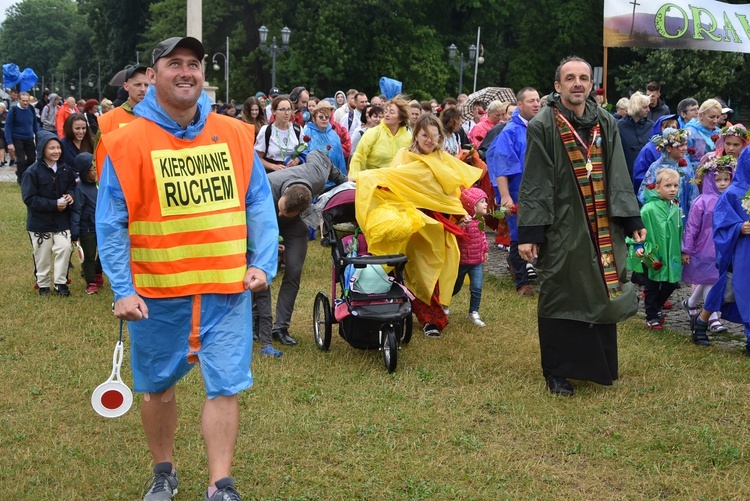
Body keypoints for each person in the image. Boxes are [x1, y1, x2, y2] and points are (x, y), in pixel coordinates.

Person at [96, 36, 278, 500]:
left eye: (193, 64)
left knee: (225, 387)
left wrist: (263, 261)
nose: (185, 71)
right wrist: (121, 288)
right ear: (152, 75)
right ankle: (164, 472)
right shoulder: (125, 141)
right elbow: (111, 221)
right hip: (157, 295)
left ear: (203, 74)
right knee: (158, 389)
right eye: (173, 63)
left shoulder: (235, 134)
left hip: (226, 290)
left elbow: (257, 200)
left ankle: (220, 484)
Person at [518, 56, 645, 397]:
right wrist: (531, 232)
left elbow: (618, 169)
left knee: (600, 290)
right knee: (562, 292)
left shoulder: (604, 121)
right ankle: (557, 371)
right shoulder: (543, 124)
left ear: (591, 84)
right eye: (570, 78)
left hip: (603, 224)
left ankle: (599, 365)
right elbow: (535, 181)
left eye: (584, 78)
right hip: (563, 226)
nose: (578, 83)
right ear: (557, 86)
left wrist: (631, 218)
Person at [355, 113, 483, 338]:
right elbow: (392, 181)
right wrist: (365, 178)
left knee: (436, 270)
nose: (429, 140)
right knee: (417, 270)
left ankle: (430, 313)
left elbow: (452, 192)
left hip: (438, 223)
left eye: (434, 136)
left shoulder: (443, 159)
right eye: (425, 135)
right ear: (416, 135)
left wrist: (460, 212)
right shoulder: (404, 156)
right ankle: (428, 320)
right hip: (412, 223)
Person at [256, 151, 348, 353]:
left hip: (295, 226)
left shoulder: (316, 175)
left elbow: (319, 155)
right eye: (281, 208)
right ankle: (258, 323)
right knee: (263, 272)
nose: (281, 212)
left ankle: (281, 328)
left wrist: (344, 181)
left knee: (294, 271)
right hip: (263, 219)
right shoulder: (264, 186)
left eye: (284, 211)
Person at [487, 87, 541, 297]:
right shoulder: (510, 131)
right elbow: (501, 165)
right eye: (531, 101)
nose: (536, 104)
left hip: (540, 191)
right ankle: (522, 281)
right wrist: (506, 196)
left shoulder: (541, 127)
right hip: (519, 191)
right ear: (519, 105)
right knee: (519, 234)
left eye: (537, 100)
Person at [699, 148, 750, 353]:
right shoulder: (733, 193)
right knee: (735, 288)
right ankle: (702, 321)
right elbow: (720, 224)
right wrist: (739, 228)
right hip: (740, 253)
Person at [681, 157, 734, 339]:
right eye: (718, 179)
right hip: (703, 248)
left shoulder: (731, 198)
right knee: (710, 280)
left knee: (709, 278)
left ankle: (691, 302)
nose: (722, 183)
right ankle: (712, 317)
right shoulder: (701, 201)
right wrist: (686, 249)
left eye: (726, 179)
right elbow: (691, 227)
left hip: (722, 246)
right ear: (709, 179)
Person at [21, 130, 76, 296]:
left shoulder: (65, 169)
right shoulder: (32, 172)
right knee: (42, 254)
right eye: (51, 148)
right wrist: (53, 205)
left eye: (58, 147)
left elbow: (72, 187)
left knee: (65, 248)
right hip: (39, 222)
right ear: (42, 149)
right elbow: (29, 199)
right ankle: (43, 284)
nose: (56, 151)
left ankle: (60, 283)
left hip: (61, 221)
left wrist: (70, 195)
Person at [632, 169, 685, 330]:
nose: (672, 189)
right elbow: (637, 228)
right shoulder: (649, 209)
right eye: (668, 185)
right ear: (657, 187)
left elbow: (680, 230)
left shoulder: (675, 208)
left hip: (671, 253)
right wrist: (639, 246)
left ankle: (655, 308)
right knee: (652, 285)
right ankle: (652, 316)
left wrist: (683, 250)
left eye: (675, 185)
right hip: (652, 254)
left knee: (671, 283)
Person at [94, 66, 149, 173]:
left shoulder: (161, 117)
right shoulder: (108, 119)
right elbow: (99, 159)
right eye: (137, 84)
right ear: (126, 86)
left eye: (146, 85)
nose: (143, 89)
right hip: (120, 184)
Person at [637, 127, 698, 220]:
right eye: (680, 145)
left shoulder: (686, 163)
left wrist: (694, 212)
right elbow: (644, 194)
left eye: (686, 144)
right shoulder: (656, 167)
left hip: (684, 215)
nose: (685, 148)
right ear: (669, 148)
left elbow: (693, 190)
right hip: (663, 216)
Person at [453, 187, 490, 327]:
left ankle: (473, 312)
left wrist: (485, 250)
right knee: (455, 287)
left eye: (485, 201)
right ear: (471, 205)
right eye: (482, 201)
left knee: (477, 288)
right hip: (462, 262)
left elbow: (483, 236)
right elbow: (457, 235)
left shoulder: (481, 220)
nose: (486, 204)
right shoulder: (464, 221)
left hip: (476, 262)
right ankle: (442, 304)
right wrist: (462, 224)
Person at [348, 95, 411, 177]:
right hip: (373, 180)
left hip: (397, 182)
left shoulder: (408, 137)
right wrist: (353, 176)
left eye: (391, 112)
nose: (387, 115)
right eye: (386, 111)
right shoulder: (373, 132)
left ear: (400, 119)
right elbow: (358, 157)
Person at [70, 152, 103, 294]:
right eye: (92, 169)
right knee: (88, 257)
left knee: (104, 253)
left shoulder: (100, 185)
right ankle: (90, 282)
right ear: (84, 171)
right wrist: (75, 232)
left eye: (97, 167)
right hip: (87, 229)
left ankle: (97, 272)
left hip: (102, 227)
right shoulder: (80, 189)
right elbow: (76, 211)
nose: (96, 171)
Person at [631, 114, 678, 193]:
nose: (670, 131)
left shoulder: (678, 148)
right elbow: (639, 174)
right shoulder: (649, 149)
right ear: (659, 129)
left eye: (673, 127)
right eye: (666, 127)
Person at [255, 95, 303, 172]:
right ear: (273, 111)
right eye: (282, 109)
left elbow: (304, 150)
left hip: (293, 173)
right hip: (272, 174)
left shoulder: (297, 129)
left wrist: (297, 159)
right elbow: (257, 158)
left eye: (289, 109)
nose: (287, 113)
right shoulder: (266, 130)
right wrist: (273, 166)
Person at [302, 100, 346, 175]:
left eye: (327, 117)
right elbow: (302, 155)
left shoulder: (334, 135)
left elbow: (340, 159)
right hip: (313, 177)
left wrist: (343, 179)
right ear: (314, 118)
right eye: (321, 117)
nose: (324, 119)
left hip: (333, 179)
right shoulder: (306, 132)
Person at [617, 91, 653, 181]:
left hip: (648, 176)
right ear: (636, 108)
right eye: (645, 107)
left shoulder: (651, 126)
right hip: (626, 176)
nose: (648, 110)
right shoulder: (619, 126)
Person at [5, 91, 39, 183]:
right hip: (17, 138)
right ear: (18, 100)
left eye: (27, 101)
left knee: (32, 158)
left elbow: (35, 124)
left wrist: (38, 135)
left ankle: (24, 173)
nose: (25, 103)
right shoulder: (14, 110)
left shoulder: (31, 109)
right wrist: (9, 142)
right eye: (23, 101)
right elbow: (8, 126)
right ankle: (21, 179)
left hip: (29, 137)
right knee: (21, 160)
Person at [684, 98, 722, 167]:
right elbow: (683, 157)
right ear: (701, 115)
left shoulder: (719, 132)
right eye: (712, 117)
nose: (715, 121)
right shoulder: (689, 132)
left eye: (718, 117)